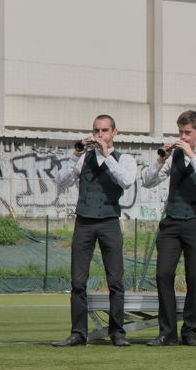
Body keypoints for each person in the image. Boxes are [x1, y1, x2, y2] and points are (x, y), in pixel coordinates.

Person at [52, 115, 137, 347]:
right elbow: (61, 182)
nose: (100, 135)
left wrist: (106, 154)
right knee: (78, 280)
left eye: (105, 131)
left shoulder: (125, 159)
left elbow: (126, 181)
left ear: (114, 133)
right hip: (84, 222)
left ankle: (117, 332)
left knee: (115, 280)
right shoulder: (83, 158)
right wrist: (75, 156)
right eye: (97, 131)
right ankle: (78, 333)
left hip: (110, 221)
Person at [141, 111, 196, 346]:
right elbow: (147, 181)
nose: (183, 137)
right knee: (163, 274)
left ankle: (190, 331)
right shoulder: (173, 156)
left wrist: (191, 155)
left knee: (194, 277)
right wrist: (160, 159)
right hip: (172, 222)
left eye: (187, 133)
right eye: (180, 132)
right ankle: (166, 332)